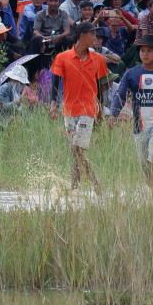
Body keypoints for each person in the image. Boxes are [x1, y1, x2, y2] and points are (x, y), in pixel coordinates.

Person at [104, 35, 153, 200]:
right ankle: (152, 191)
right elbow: (120, 95)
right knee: (144, 164)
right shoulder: (131, 74)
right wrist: (113, 114)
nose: (144, 54)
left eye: (149, 51)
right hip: (138, 126)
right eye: (142, 50)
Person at [49, 25, 111, 195]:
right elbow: (55, 83)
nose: (95, 38)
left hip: (88, 109)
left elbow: (99, 86)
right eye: (92, 35)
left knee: (78, 148)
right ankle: (75, 187)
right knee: (75, 150)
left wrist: (100, 107)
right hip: (69, 109)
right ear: (82, 36)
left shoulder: (97, 59)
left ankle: (94, 183)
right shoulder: (63, 57)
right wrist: (53, 104)